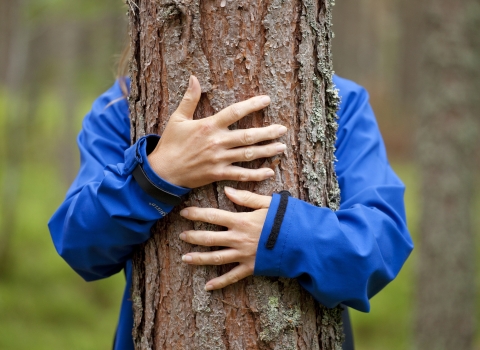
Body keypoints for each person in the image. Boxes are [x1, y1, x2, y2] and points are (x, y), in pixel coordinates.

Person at [48, 75, 413, 350]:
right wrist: (155, 177)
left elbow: (381, 244)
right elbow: (78, 244)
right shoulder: (122, 107)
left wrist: (280, 235)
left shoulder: (338, 100)